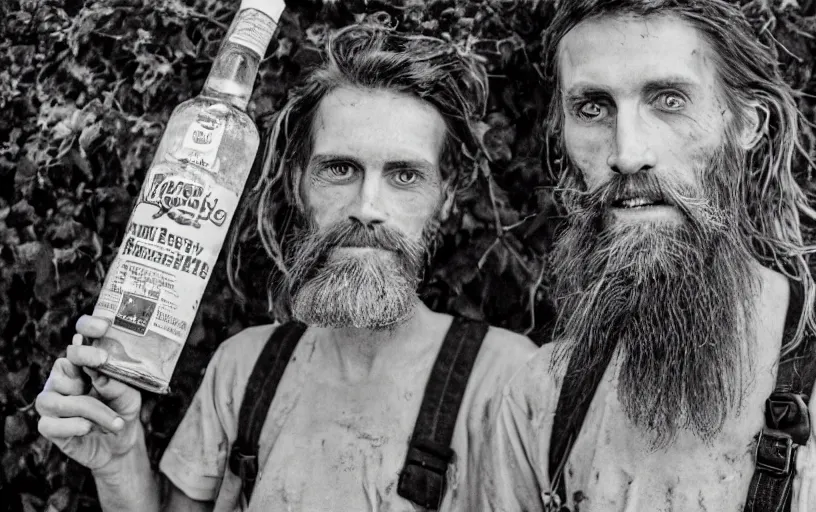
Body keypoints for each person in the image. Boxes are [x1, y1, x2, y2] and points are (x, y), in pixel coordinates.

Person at [479, 1, 816, 511]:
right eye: (592, 107)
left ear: (747, 124)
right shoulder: (540, 403)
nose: (626, 154)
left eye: (669, 100)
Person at [35, 23, 537, 512]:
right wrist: (119, 460)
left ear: (444, 198)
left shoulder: (508, 380)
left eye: (405, 175)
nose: (367, 206)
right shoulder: (242, 368)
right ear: (300, 183)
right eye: (340, 170)